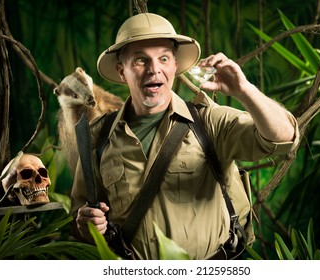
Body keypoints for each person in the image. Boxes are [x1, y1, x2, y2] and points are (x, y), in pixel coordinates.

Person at [70, 13, 299, 260]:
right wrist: (87, 224)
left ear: (175, 66)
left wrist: (245, 90)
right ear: (122, 71)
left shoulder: (209, 122)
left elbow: (283, 138)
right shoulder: (98, 136)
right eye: (140, 60)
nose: (154, 70)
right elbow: (80, 215)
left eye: (164, 58)